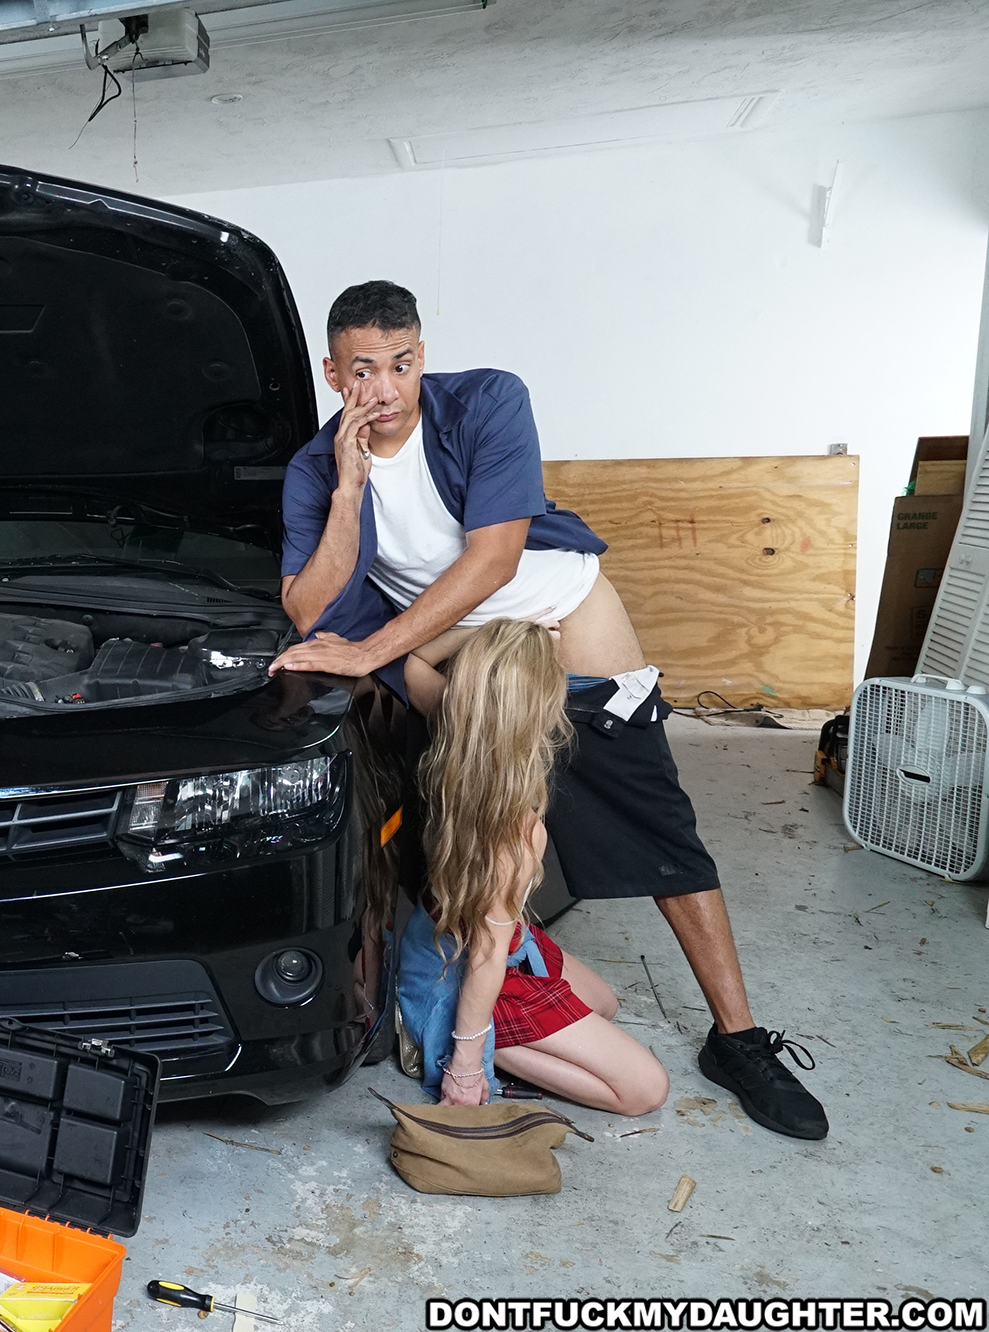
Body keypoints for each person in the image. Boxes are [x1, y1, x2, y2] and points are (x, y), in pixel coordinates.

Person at [272, 280, 826, 1140]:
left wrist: (373, 649)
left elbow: (495, 561)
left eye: (402, 364)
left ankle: (738, 1036)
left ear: (423, 355)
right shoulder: (316, 466)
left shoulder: (488, 401)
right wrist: (348, 492)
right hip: (460, 654)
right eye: (364, 370)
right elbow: (310, 608)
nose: (384, 388)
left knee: (656, 827)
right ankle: (460, 1011)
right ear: (333, 372)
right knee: (474, 838)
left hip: (562, 624)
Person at [398, 619, 668, 1112]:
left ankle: (480, 1029)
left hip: (443, 932)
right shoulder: (513, 834)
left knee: (603, 1004)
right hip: (467, 963)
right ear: (544, 709)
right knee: (644, 1091)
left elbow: (414, 662)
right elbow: (486, 957)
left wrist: (497, 630)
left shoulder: (454, 719)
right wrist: (465, 1066)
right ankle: (460, 1035)